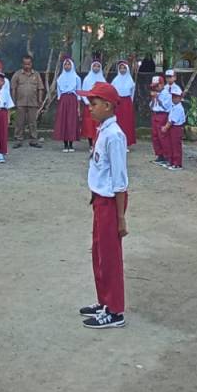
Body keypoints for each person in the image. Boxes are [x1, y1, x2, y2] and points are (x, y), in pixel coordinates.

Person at [75, 81, 129, 329]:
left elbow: (120, 181)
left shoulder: (115, 136)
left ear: (108, 106)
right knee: (98, 253)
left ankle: (115, 310)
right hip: (99, 200)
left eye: (94, 104)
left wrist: (120, 218)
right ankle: (104, 300)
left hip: (110, 203)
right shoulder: (102, 131)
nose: (90, 109)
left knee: (110, 257)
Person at [11, 55, 45, 148]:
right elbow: (13, 88)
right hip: (20, 102)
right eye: (25, 64)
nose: (27, 66)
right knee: (19, 122)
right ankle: (18, 140)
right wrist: (13, 100)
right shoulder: (17, 74)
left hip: (33, 102)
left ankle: (33, 140)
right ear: (22, 64)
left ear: (31, 64)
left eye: (28, 64)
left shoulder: (36, 75)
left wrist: (40, 100)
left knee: (33, 122)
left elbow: (40, 88)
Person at [53, 56, 82, 152]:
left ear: (72, 65)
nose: (67, 66)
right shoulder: (60, 78)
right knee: (64, 121)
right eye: (65, 64)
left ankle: (71, 144)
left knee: (72, 121)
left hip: (73, 99)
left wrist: (78, 106)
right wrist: (60, 101)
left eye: (69, 64)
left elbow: (78, 92)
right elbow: (59, 92)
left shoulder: (77, 78)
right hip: (63, 100)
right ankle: (65, 144)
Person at [80, 60, 106, 146]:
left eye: (98, 66)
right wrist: (88, 103)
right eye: (94, 66)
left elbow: (105, 93)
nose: (96, 68)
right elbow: (83, 92)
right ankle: (91, 144)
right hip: (89, 106)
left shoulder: (102, 80)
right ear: (91, 67)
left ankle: (99, 143)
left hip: (99, 106)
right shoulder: (87, 79)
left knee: (99, 124)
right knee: (90, 125)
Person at [111, 60, 138, 146]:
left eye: (124, 68)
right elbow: (112, 92)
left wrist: (129, 102)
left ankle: (126, 142)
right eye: (120, 68)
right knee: (118, 122)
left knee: (127, 123)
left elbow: (132, 94)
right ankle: (117, 142)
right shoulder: (115, 80)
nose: (122, 70)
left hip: (127, 103)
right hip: (118, 103)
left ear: (127, 69)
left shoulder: (131, 81)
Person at [149, 75, 171, 166]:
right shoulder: (156, 93)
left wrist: (157, 98)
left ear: (162, 85)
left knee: (163, 136)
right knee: (155, 136)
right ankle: (159, 155)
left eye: (157, 86)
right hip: (155, 115)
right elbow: (151, 106)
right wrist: (153, 98)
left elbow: (166, 107)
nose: (156, 88)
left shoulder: (166, 94)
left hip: (162, 115)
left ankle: (167, 156)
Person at [163, 86, 186, 170]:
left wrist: (165, 127)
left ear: (180, 98)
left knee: (176, 146)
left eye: (176, 97)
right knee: (171, 145)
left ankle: (177, 163)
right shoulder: (174, 106)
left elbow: (172, 120)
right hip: (172, 128)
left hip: (176, 128)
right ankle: (172, 161)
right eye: (173, 97)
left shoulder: (179, 108)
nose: (174, 98)